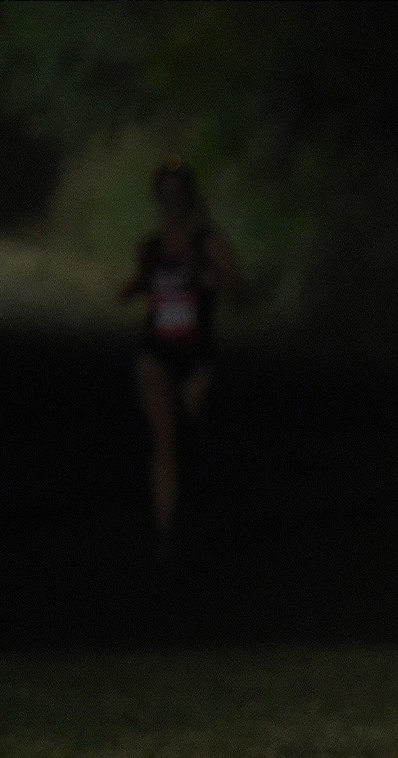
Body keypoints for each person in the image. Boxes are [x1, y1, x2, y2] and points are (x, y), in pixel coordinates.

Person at [119, 159, 242, 559]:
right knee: (165, 440)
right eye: (164, 192)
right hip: (156, 352)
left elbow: (238, 291)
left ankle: (194, 521)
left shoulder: (208, 242)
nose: (170, 200)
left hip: (197, 354)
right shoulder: (151, 246)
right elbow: (141, 283)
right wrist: (133, 288)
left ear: (187, 196)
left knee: (191, 439)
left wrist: (212, 278)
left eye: (177, 191)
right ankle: (165, 535)